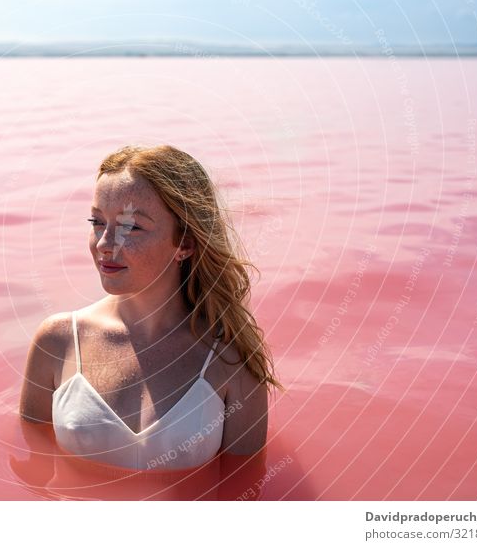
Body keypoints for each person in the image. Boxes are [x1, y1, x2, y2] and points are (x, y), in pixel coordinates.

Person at [18, 144, 283, 481]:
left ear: (184, 244)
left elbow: (243, 489)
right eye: (97, 221)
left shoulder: (230, 359)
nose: (104, 243)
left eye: (132, 227)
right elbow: (32, 473)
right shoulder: (57, 341)